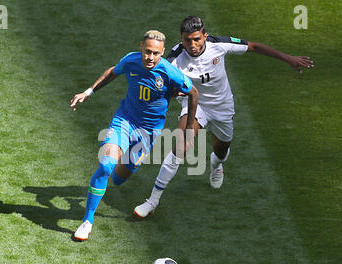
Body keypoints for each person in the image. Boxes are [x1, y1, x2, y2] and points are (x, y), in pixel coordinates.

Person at [134, 16, 314, 218]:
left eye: (196, 39)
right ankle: (152, 200)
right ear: (181, 39)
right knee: (181, 146)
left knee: (221, 150)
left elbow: (253, 46)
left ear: (205, 36)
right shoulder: (174, 58)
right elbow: (164, 87)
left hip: (222, 108)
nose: (192, 45)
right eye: (187, 40)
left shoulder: (218, 45)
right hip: (195, 105)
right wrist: (176, 93)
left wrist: (288, 58)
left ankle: (216, 165)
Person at [70, 30, 198, 241]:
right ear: (141, 47)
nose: (150, 57)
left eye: (156, 53)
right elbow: (113, 71)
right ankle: (87, 221)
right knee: (105, 165)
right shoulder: (131, 61)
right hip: (125, 121)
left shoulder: (169, 72)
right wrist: (88, 92)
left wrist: (189, 126)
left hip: (149, 132)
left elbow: (194, 93)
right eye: (147, 51)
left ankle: (114, 170)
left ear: (162, 52)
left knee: (119, 179)